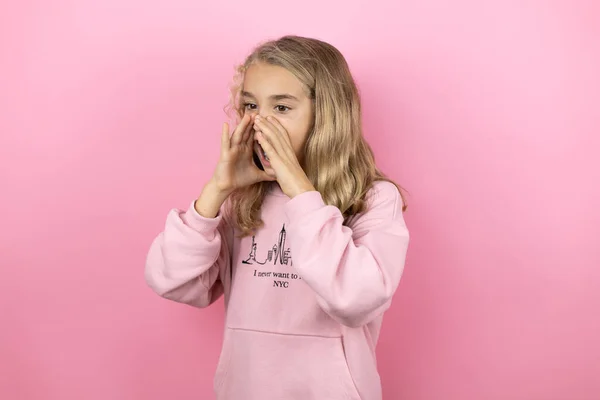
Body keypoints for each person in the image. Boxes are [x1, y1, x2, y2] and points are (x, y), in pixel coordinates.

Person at [145, 35, 410, 400]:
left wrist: (301, 194)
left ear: (326, 115)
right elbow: (173, 281)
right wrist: (217, 190)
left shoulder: (373, 199)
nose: (260, 122)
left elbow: (355, 299)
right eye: (251, 105)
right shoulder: (243, 201)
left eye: (282, 108)